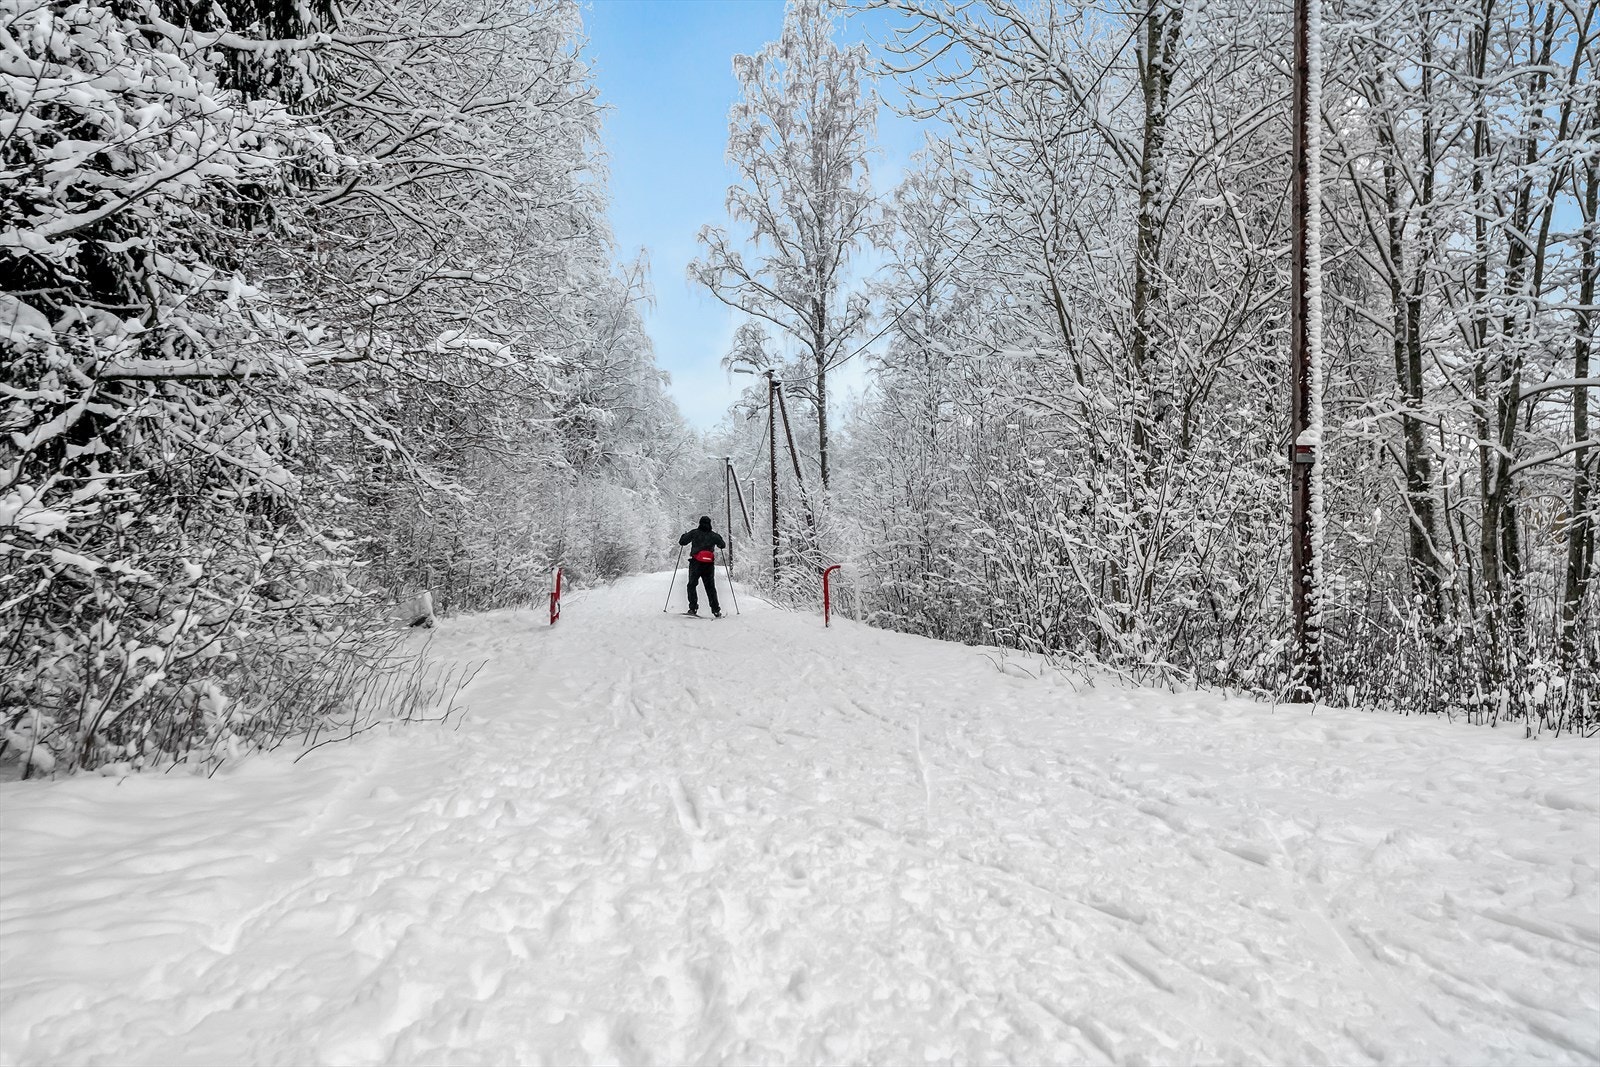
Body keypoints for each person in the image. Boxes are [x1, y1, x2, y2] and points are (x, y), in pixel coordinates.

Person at [678, 515, 725, 617]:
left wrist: (683, 535)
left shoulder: (694, 533)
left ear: (699, 523)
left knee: (692, 585)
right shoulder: (714, 535)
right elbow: (722, 545)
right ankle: (716, 610)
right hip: (709, 565)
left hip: (696, 563)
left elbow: (682, 542)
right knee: (710, 587)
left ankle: (693, 608)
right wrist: (719, 541)